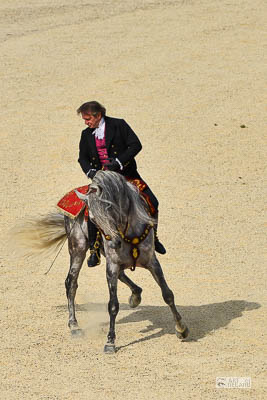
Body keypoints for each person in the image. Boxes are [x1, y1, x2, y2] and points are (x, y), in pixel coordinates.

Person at [77, 101, 166, 267]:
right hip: (103, 181)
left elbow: (135, 145)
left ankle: (155, 237)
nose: (86, 122)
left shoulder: (119, 125)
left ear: (98, 116)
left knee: (153, 202)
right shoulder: (86, 134)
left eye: (88, 119)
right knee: (92, 210)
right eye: (85, 119)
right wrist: (90, 172)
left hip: (126, 175)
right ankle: (94, 249)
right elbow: (82, 158)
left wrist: (118, 162)